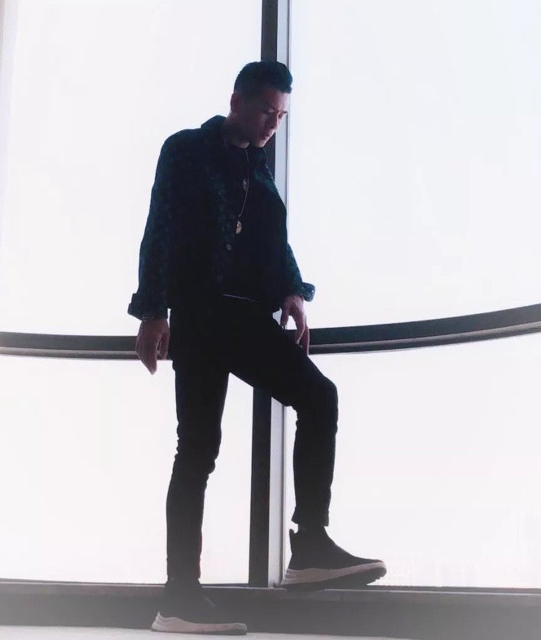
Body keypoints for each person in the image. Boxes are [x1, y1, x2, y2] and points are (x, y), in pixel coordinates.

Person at [128, 61, 386, 635]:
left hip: (246, 316)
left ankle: (309, 543)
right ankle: (179, 598)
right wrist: (152, 310)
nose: (273, 123)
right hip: (201, 316)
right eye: (267, 110)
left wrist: (292, 290)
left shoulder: (259, 165)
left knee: (318, 398)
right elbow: (159, 229)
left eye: (281, 115)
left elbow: (274, 239)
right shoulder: (186, 150)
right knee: (197, 451)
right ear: (236, 102)